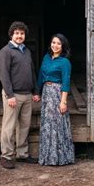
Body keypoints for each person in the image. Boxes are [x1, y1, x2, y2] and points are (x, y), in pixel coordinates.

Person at [0, 21, 41, 169]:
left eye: (22, 33)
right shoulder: (5, 52)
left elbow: (32, 72)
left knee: (24, 126)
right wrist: (10, 95)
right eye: (16, 33)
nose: (19, 36)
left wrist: (35, 91)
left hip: (27, 95)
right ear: (11, 35)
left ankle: (22, 154)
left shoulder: (26, 51)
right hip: (13, 95)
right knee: (9, 127)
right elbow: (4, 76)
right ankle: (6, 156)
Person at [37, 33, 75, 166]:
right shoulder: (46, 58)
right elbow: (41, 75)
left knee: (58, 124)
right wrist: (37, 92)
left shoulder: (65, 62)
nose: (55, 45)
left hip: (57, 93)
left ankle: (60, 157)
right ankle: (47, 157)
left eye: (58, 43)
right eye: (53, 42)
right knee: (47, 124)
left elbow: (66, 82)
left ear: (63, 46)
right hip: (47, 94)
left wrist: (63, 101)